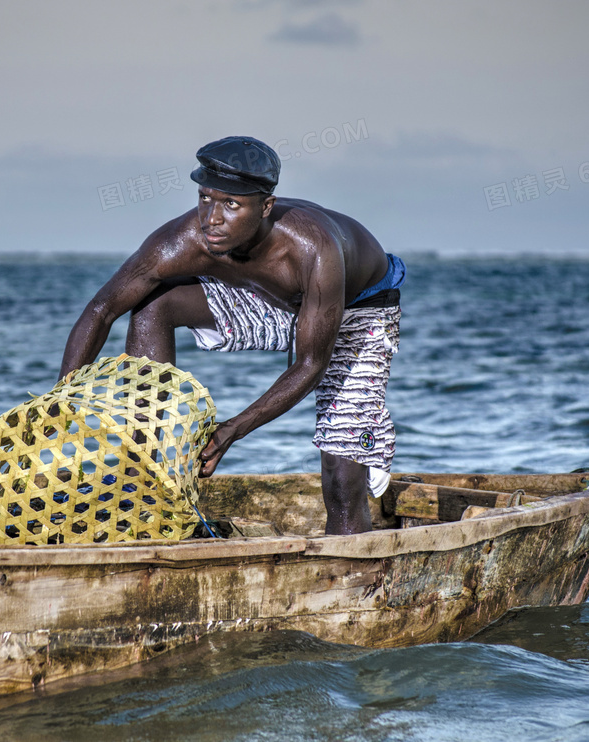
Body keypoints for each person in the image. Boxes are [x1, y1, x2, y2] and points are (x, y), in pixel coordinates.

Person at [59, 136, 405, 535]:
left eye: (231, 205)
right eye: (205, 198)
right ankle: (148, 462)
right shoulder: (184, 240)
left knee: (342, 482)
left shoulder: (314, 249)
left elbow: (312, 364)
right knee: (154, 305)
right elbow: (103, 309)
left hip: (359, 309)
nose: (211, 218)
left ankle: (367, 444)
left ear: (265, 208)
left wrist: (231, 430)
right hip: (275, 301)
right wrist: (61, 396)